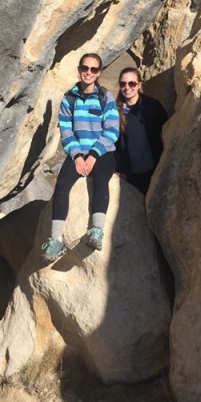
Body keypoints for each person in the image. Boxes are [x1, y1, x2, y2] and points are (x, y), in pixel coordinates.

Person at [41, 53, 120, 262]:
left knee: (100, 179)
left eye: (93, 69)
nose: (88, 73)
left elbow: (112, 130)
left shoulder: (105, 97)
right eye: (85, 68)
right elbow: (66, 132)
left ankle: (96, 230)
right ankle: (55, 240)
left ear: (99, 72)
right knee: (62, 185)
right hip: (77, 153)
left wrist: (93, 155)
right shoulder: (69, 98)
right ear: (79, 70)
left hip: (102, 152)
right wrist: (77, 156)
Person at [115, 67, 168, 194]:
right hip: (127, 174)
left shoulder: (152, 106)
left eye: (132, 83)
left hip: (153, 170)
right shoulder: (114, 110)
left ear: (139, 85)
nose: (127, 87)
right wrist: (117, 167)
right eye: (123, 84)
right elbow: (112, 142)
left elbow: (168, 130)